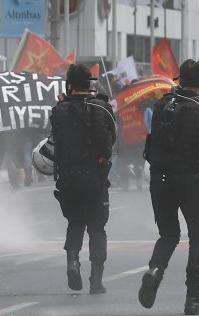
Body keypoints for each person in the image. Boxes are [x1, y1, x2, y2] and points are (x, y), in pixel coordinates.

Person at [138, 59, 199, 315]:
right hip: (190, 180)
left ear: (179, 79)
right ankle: (192, 297)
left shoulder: (161, 103)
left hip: (160, 179)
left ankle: (155, 269)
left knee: (168, 235)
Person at [51, 64, 116, 294]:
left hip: (68, 176)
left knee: (75, 223)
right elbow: (111, 141)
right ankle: (96, 280)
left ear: (69, 84)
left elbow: (55, 141)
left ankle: (72, 262)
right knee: (97, 228)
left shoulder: (58, 110)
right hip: (96, 177)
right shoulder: (104, 108)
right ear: (89, 83)